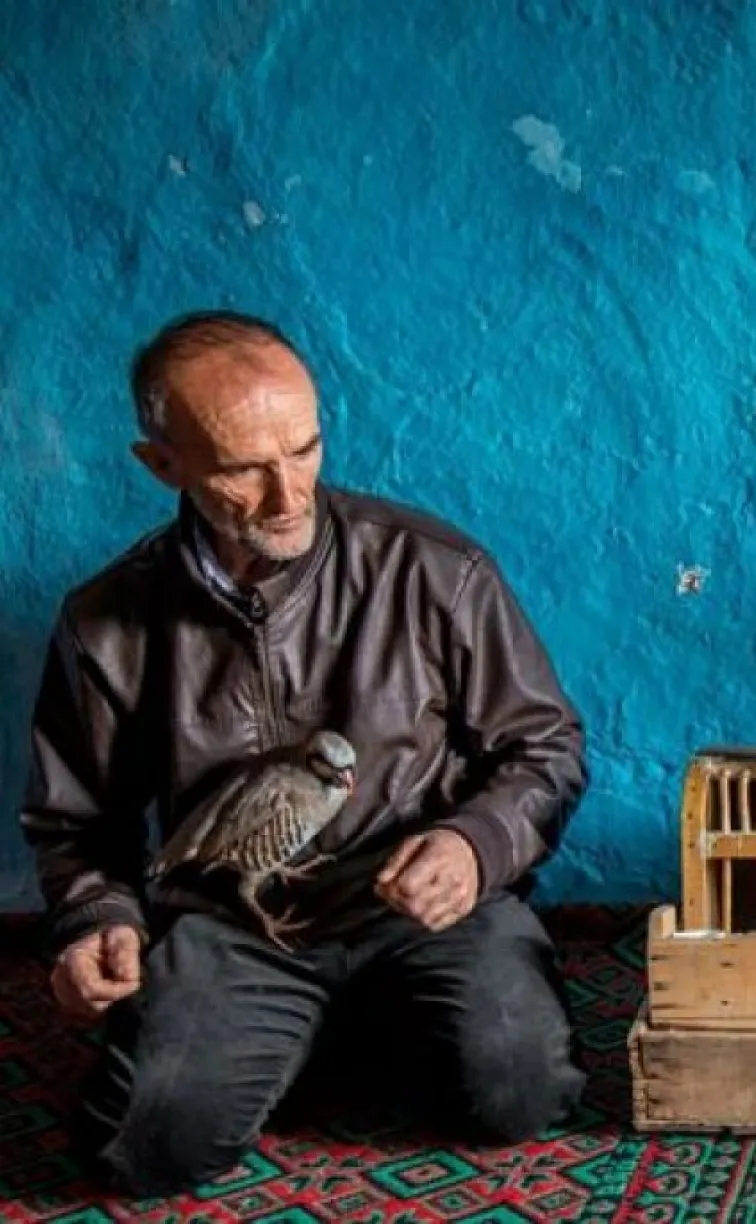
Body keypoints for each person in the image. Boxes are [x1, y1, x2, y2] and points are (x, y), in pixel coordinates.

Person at [18, 310, 591, 1196]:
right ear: (161, 465)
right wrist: (98, 923)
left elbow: (545, 745)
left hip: (423, 910)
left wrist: (474, 847)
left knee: (521, 1086)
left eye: (305, 450)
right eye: (245, 469)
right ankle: (290, 1028)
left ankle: (321, 1032)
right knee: (148, 1146)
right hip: (232, 925)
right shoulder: (105, 624)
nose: (290, 498)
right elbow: (75, 825)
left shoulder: (432, 570)